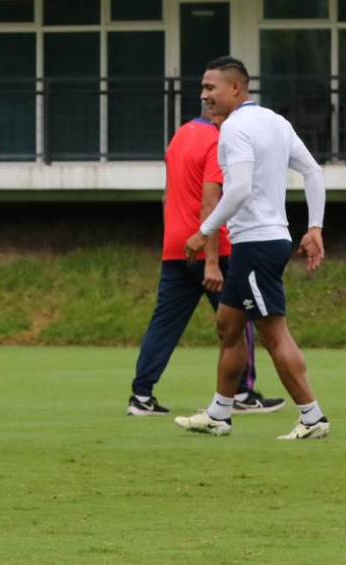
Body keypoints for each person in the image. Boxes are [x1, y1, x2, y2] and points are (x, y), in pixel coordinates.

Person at [173, 56, 330, 440]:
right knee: (229, 325)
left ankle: (313, 418)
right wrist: (314, 226)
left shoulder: (235, 129)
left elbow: (239, 189)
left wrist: (203, 230)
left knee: (274, 332)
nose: (203, 96)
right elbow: (313, 171)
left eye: (211, 88)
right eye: (203, 88)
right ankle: (219, 414)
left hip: (258, 244)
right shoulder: (276, 122)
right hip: (260, 242)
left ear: (236, 88)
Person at [127, 107, 282, 416]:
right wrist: (211, 261)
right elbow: (211, 201)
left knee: (164, 324)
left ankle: (141, 396)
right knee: (239, 320)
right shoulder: (217, 140)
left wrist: (171, 236)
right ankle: (241, 392)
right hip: (213, 245)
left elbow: (168, 194)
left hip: (176, 245)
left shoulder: (180, 137)